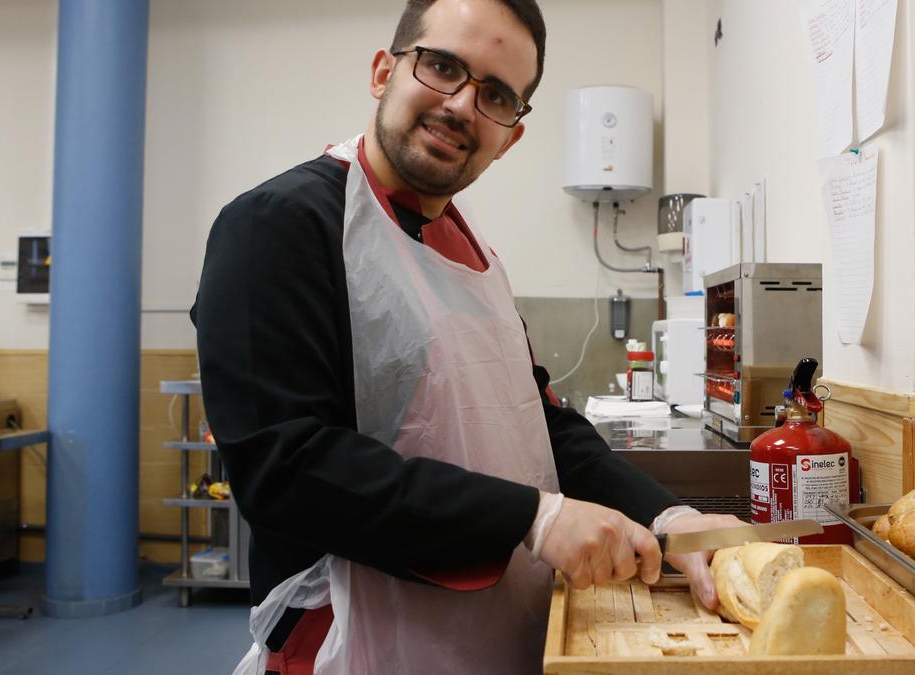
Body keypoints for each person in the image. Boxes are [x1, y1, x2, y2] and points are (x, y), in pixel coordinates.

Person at [192, 0, 742, 672]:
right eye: (442, 65)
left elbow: (540, 421)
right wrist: (535, 518)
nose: (460, 105)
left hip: (498, 628)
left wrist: (670, 517)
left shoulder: (475, 250)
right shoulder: (279, 225)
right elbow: (288, 469)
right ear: (381, 72)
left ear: (510, 135)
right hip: (353, 636)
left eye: (496, 95)